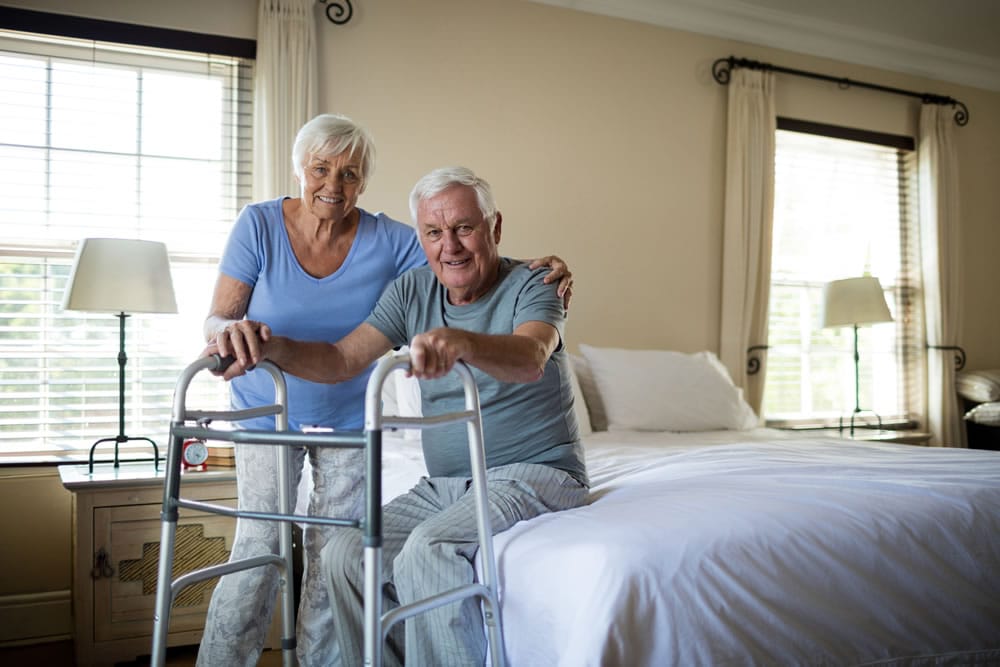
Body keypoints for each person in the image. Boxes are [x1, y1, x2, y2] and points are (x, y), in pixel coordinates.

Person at [198, 115, 574, 667]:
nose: (334, 184)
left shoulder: (498, 276)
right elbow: (329, 354)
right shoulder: (274, 230)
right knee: (305, 550)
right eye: (322, 168)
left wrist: (473, 330)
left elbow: (517, 335)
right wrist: (258, 343)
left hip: (466, 453)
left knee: (381, 552)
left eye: (349, 174)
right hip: (310, 427)